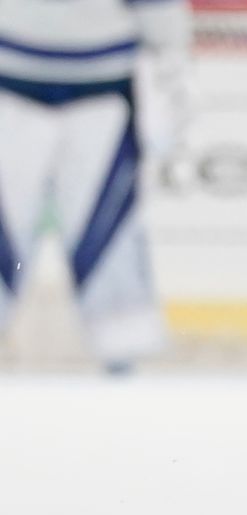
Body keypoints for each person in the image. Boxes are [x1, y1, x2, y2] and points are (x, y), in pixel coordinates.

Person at [0, 0, 190, 370]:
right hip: (11, 77)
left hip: (103, 86)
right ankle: (122, 349)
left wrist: (173, 57)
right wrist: (172, 50)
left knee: (104, 222)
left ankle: (121, 348)